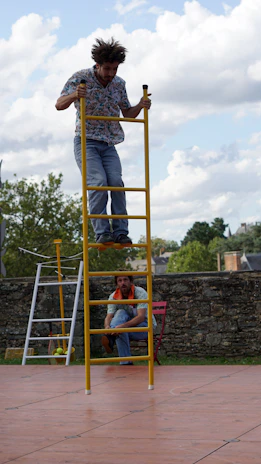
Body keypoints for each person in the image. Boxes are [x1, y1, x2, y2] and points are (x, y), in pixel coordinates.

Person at [55, 37, 151, 245]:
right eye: (107, 69)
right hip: (86, 141)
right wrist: (74, 95)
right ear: (97, 65)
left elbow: (127, 114)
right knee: (98, 182)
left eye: (114, 69)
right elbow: (59, 104)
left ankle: (120, 232)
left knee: (116, 182)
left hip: (109, 143)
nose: (111, 74)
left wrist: (141, 105)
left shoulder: (118, 84)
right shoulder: (80, 78)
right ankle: (102, 232)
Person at [102, 273, 157, 365]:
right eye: (120, 280)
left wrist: (122, 327)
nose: (123, 283)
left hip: (145, 326)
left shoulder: (140, 292)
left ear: (131, 281)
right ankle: (126, 362)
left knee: (121, 329)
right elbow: (109, 316)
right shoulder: (113, 296)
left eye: (125, 280)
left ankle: (112, 339)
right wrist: (107, 326)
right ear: (117, 284)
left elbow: (141, 317)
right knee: (120, 313)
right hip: (124, 327)